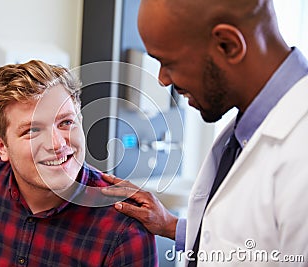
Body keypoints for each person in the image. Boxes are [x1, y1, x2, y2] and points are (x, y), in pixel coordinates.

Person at [102, 0, 308, 266]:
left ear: (228, 45)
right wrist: (170, 225)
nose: (163, 80)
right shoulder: (245, 132)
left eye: (168, 63)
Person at [0, 60, 157, 266]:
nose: (57, 143)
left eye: (66, 122)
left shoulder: (124, 228)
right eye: (32, 130)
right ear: (1, 146)